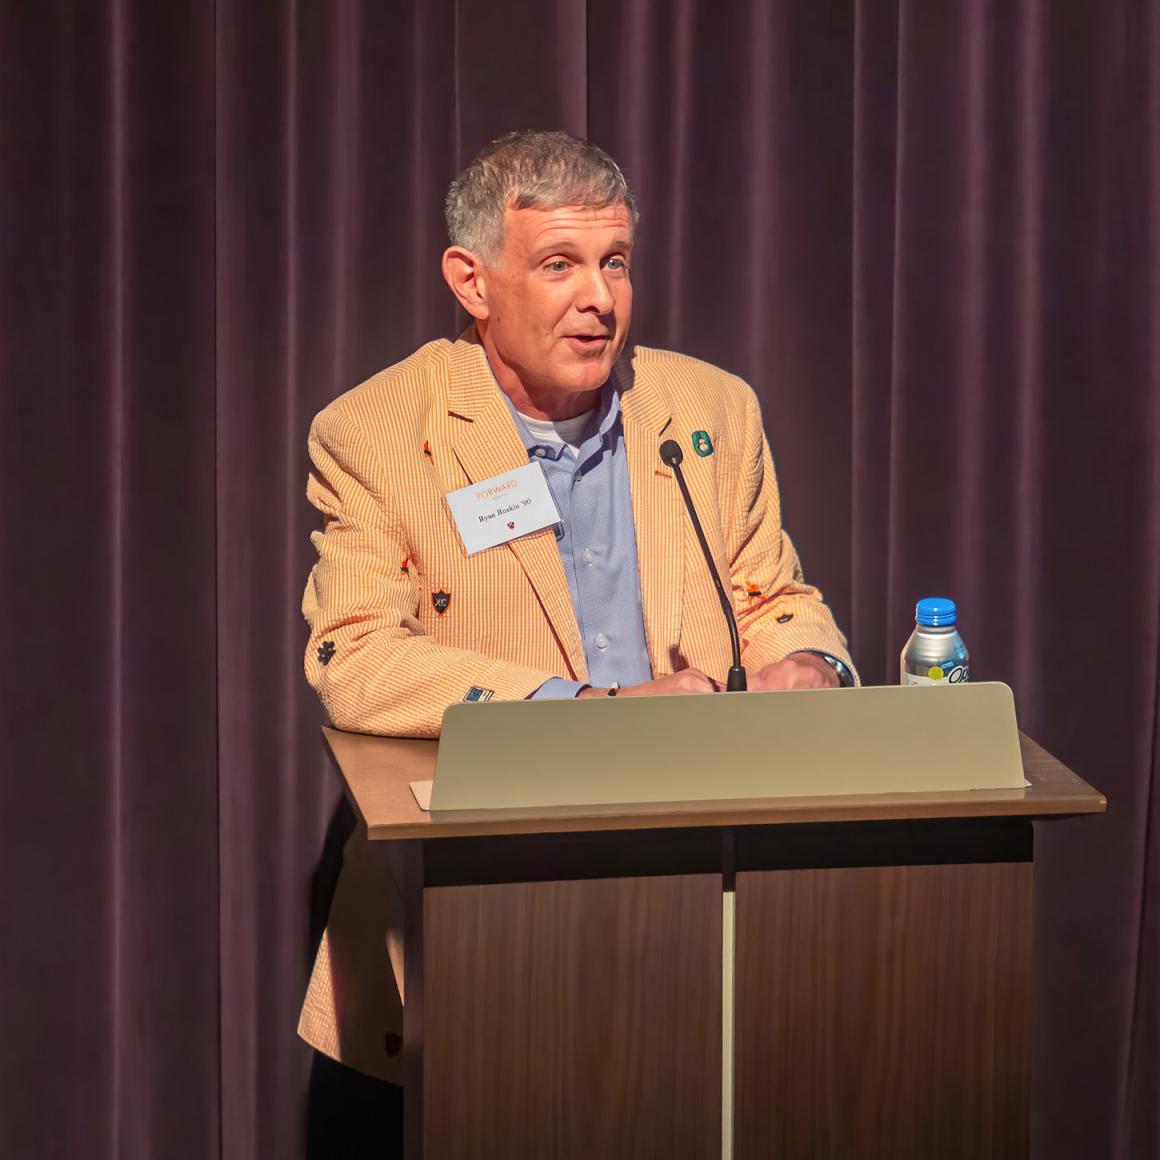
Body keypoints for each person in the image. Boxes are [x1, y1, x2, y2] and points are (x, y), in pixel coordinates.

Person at [297, 130, 856, 1081]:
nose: (600, 299)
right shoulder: (375, 433)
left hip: (704, 890)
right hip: (484, 906)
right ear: (472, 284)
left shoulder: (709, 409)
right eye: (560, 265)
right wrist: (594, 718)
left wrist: (808, 663)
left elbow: (775, 593)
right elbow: (355, 659)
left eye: (615, 263)